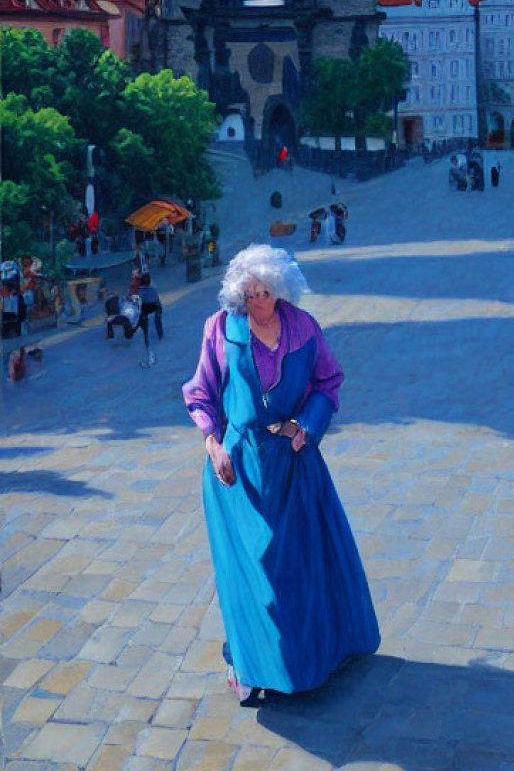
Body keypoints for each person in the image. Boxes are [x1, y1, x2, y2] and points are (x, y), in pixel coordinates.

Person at [181, 245, 380, 706]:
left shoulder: (303, 327)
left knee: (297, 572)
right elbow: (201, 393)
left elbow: (329, 382)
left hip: (293, 464)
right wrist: (213, 443)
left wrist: (307, 425)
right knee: (250, 576)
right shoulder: (219, 330)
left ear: (281, 291)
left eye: (266, 292)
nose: (258, 302)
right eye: (249, 293)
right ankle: (247, 663)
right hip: (239, 471)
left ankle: (305, 659)